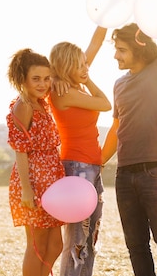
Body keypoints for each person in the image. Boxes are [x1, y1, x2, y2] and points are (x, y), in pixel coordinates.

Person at [101, 23, 157, 276]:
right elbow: (117, 128)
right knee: (136, 246)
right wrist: (98, 161)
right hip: (124, 174)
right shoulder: (118, 84)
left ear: (139, 47)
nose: (116, 55)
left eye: (121, 49)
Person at [48, 26, 111, 276]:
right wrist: (88, 79)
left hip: (92, 167)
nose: (86, 68)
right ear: (65, 68)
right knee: (76, 241)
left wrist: (105, 17)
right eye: (81, 65)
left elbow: (95, 44)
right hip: (77, 168)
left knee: (89, 240)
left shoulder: (74, 83)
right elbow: (106, 104)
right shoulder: (63, 92)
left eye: (86, 64)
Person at [6, 48, 65, 276]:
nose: (43, 84)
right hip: (32, 181)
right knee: (37, 244)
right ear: (24, 80)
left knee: (55, 245)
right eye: (36, 79)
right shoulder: (24, 106)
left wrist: (58, 80)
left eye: (46, 78)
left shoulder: (43, 103)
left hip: (52, 180)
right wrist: (27, 191)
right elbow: (20, 151)